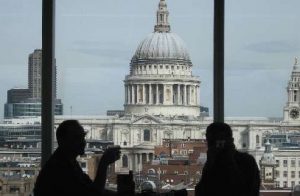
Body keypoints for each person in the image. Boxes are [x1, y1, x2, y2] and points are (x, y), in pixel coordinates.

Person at [34, 120, 121, 196]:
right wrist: (104, 163)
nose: (83, 142)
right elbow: (94, 193)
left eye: (83, 137)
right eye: (77, 138)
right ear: (63, 141)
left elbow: (92, 188)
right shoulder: (59, 168)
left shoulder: (69, 163)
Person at [195, 122, 260, 196]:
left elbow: (246, 189)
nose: (219, 146)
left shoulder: (247, 161)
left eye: (222, 142)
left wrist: (230, 161)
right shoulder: (248, 160)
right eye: (214, 142)